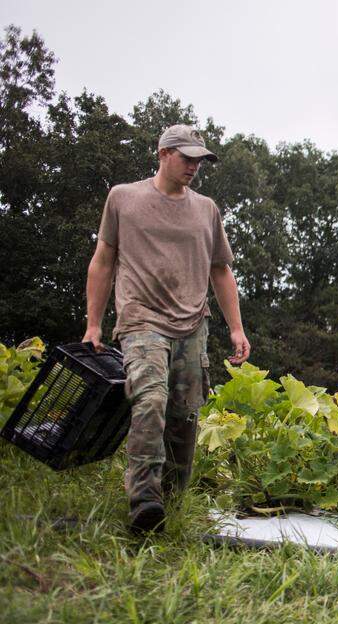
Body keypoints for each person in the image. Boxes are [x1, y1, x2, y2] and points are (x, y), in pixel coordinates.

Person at [83, 124, 250, 534]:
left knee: (185, 415)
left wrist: (237, 329)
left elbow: (221, 271)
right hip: (141, 319)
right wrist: (93, 324)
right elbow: (103, 262)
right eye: (187, 157)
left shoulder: (206, 209)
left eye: (199, 160)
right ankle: (144, 498)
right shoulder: (124, 198)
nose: (194, 166)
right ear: (163, 154)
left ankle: (171, 502)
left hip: (193, 323)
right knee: (151, 402)